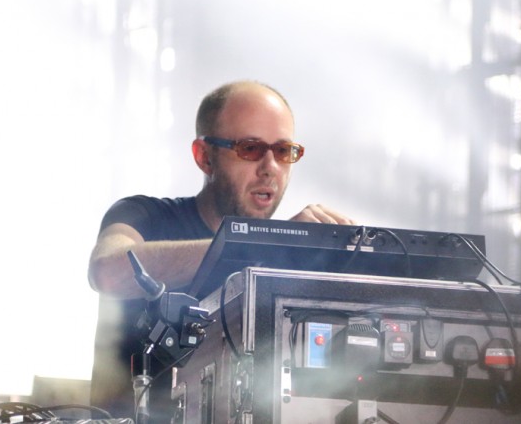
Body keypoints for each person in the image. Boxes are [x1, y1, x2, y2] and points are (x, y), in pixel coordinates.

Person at [87, 80, 354, 418]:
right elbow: (108, 272)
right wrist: (268, 242)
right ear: (204, 156)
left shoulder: (288, 253)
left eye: (284, 151)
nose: (270, 167)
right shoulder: (144, 215)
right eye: (250, 148)